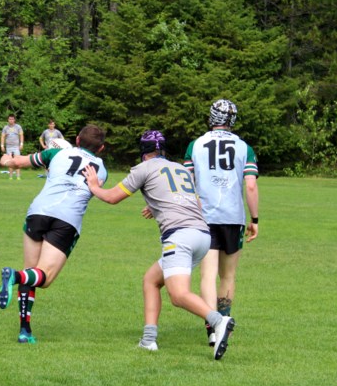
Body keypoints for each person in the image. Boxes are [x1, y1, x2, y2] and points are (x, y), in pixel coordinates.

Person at [83, 130, 236, 360]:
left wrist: (94, 186)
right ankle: (148, 340)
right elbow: (191, 203)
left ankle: (218, 321)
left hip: (180, 237)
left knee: (178, 294)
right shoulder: (181, 168)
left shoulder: (143, 168)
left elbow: (113, 197)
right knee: (151, 280)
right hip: (202, 235)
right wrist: (156, 207)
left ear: (144, 152)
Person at [0, 125, 107, 344]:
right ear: (101, 148)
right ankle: (14, 276)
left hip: (37, 211)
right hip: (66, 219)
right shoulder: (102, 168)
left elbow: (17, 162)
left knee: (31, 272)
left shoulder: (55, 153)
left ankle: (25, 331)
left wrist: (6, 159)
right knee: (43, 278)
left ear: (77, 139)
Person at [183, 99, 259, 345]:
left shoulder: (195, 145)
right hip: (232, 218)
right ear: (232, 120)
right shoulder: (244, 147)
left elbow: (187, 182)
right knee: (228, 276)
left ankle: (212, 327)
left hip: (203, 216)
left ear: (211, 117)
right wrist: (254, 219)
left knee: (207, 275)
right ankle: (224, 320)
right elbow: (250, 185)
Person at [0, 114, 25, 180]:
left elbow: (21, 135)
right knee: (10, 162)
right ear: (8, 120)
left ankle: (18, 176)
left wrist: (21, 144)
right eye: (10, 119)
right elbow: (2, 136)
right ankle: (10, 176)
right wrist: (2, 145)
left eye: (12, 119)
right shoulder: (5, 127)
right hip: (8, 147)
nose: (11, 120)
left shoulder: (18, 127)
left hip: (16, 146)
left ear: (14, 120)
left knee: (17, 161)